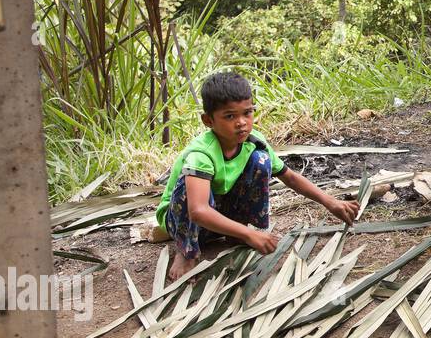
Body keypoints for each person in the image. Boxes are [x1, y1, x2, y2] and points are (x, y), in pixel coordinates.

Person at [154, 71, 359, 280]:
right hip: (185, 220)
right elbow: (198, 211)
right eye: (230, 116)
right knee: (192, 190)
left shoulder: (254, 141)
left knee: (261, 160)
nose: (241, 122)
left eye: (247, 113)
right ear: (208, 120)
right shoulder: (202, 154)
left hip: (219, 216)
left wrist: (329, 201)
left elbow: (290, 177)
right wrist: (251, 235)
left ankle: (236, 232)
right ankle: (186, 250)